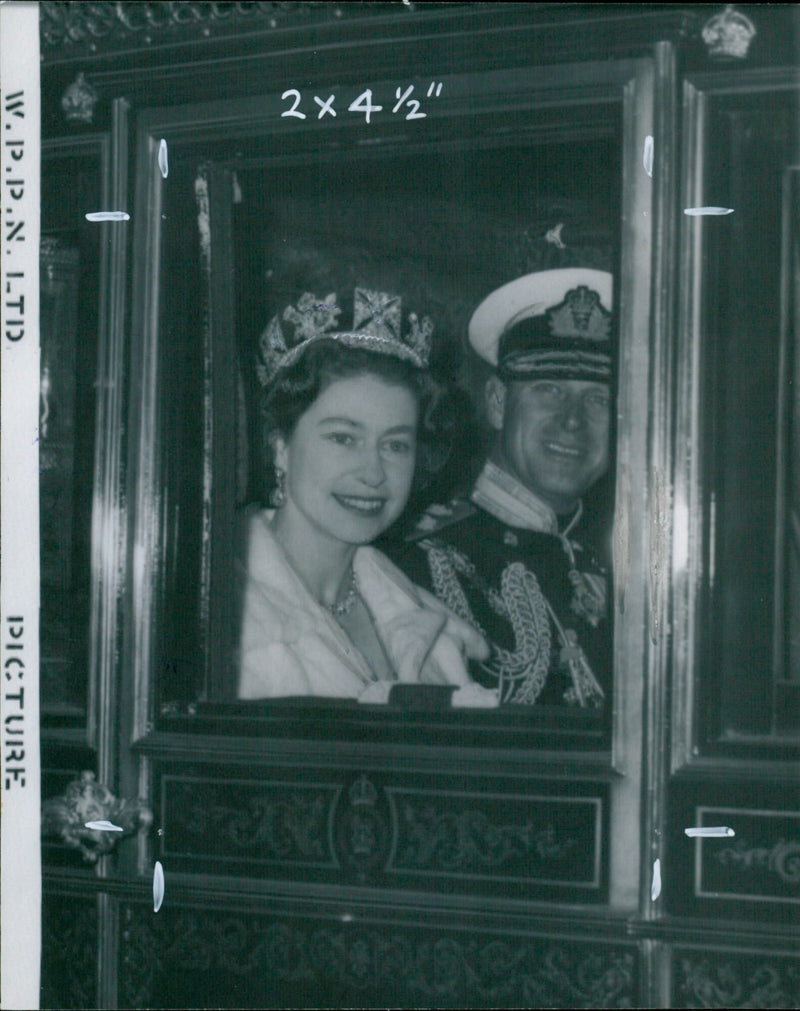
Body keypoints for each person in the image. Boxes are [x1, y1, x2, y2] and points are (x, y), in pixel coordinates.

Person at [236, 287, 496, 706]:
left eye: (395, 445)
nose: (374, 474)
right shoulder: (227, 617)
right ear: (280, 447)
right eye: (343, 438)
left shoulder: (415, 607)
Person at [384, 268, 613, 707]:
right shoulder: (415, 563)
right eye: (548, 390)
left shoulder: (626, 565)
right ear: (496, 402)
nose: (573, 420)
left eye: (598, 399)